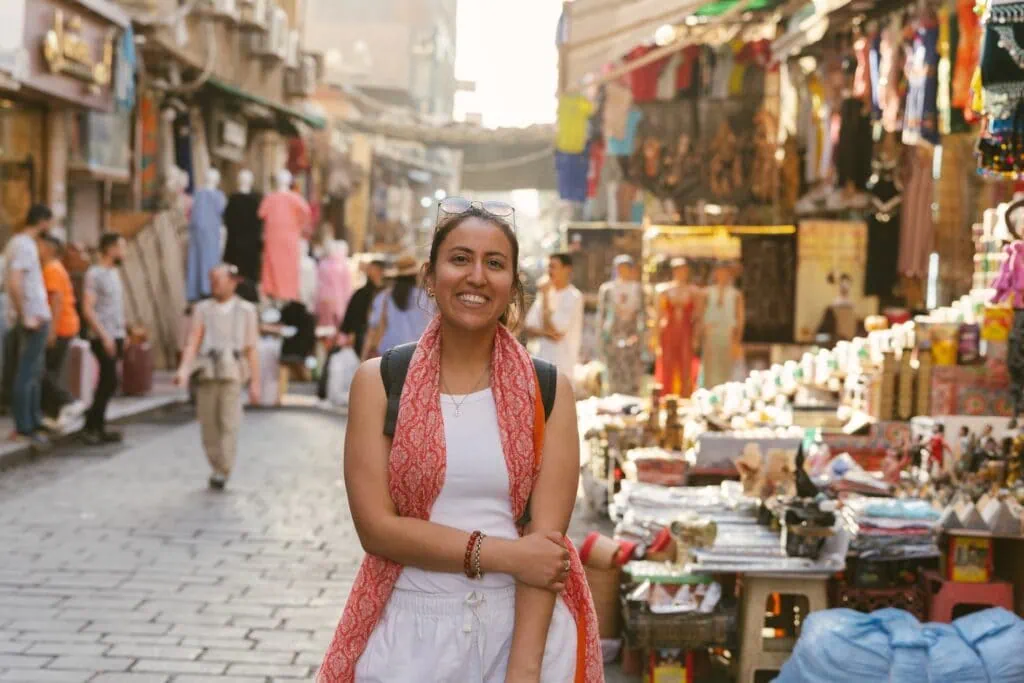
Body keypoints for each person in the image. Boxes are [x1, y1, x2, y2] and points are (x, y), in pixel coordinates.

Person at [317, 199, 602, 682]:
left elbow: (545, 549)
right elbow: (377, 530)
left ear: (512, 285)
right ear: (431, 276)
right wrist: (506, 554)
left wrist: (524, 670)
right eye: (460, 258)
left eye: (495, 264)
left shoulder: (549, 391)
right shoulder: (380, 382)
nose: (476, 276)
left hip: (520, 632)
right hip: (409, 633)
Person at [175, 264, 261, 490]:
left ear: (233, 282)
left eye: (219, 280)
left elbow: (251, 347)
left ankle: (223, 469)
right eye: (212, 280)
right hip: (207, 371)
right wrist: (184, 370)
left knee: (229, 422)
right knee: (208, 424)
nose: (214, 284)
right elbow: (193, 341)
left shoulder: (246, 310)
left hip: (232, 371)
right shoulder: (203, 309)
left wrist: (255, 382)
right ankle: (216, 466)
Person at [5, 204, 55, 448]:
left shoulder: (18, 243)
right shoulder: (24, 245)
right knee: (27, 371)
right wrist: (24, 313)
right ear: (42, 221)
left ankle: (33, 420)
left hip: (34, 314)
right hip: (32, 316)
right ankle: (25, 425)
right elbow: (14, 282)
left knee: (34, 370)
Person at [317, 256, 385, 401]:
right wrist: (351, 334)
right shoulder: (364, 293)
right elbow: (352, 316)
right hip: (362, 335)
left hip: (376, 337)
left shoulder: (384, 294)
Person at [81, 232, 127, 445]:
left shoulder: (115, 273)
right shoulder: (95, 274)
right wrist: (104, 336)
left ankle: (97, 425)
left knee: (110, 382)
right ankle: (91, 425)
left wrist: (123, 333)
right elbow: (88, 309)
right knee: (109, 380)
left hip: (116, 333)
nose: (124, 252)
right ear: (110, 249)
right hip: (102, 334)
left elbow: (116, 308)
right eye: (121, 247)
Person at [39, 230, 84, 428]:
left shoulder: (51, 269)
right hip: (65, 325)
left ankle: (68, 402)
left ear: (49, 249)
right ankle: (54, 415)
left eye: (39, 246)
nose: (36, 250)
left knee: (43, 372)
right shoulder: (55, 267)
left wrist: (52, 331)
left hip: (61, 326)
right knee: (52, 370)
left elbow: (56, 301)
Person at [525, 252, 585, 380]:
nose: (549, 271)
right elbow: (529, 328)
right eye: (548, 267)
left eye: (553, 266)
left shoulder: (573, 296)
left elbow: (555, 331)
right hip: (540, 365)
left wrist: (545, 297)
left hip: (562, 369)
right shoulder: (545, 293)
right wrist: (546, 333)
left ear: (567, 269)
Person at [361, 253, 432, 360]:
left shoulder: (383, 298)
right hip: (419, 355)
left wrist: (363, 358)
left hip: (389, 356)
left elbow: (372, 331)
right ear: (415, 275)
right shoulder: (427, 298)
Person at [596, 254, 645, 395]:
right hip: (612, 336)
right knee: (613, 371)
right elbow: (602, 315)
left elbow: (642, 314)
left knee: (631, 372)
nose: (622, 270)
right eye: (619, 268)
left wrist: (642, 337)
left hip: (632, 335)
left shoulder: (637, 289)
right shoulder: (607, 289)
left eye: (625, 267)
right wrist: (601, 338)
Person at [655, 257, 701, 398]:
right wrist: (655, 337)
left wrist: (696, 337)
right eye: (678, 270)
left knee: (686, 365)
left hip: (686, 331)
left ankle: (685, 396)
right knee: (667, 363)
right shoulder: (663, 290)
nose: (681, 272)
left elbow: (697, 316)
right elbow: (658, 315)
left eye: (684, 270)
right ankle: (666, 396)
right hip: (669, 330)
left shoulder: (694, 291)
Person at [700, 260, 745, 389]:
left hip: (728, 332)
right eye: (720, 273)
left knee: (726, 366)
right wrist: (703, 331)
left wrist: (737, 338)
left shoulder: (735, 294)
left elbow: (740, 317)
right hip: (711, 332)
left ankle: (725, 392)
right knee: (710, 366)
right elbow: (701, 314)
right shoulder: (707, 292)